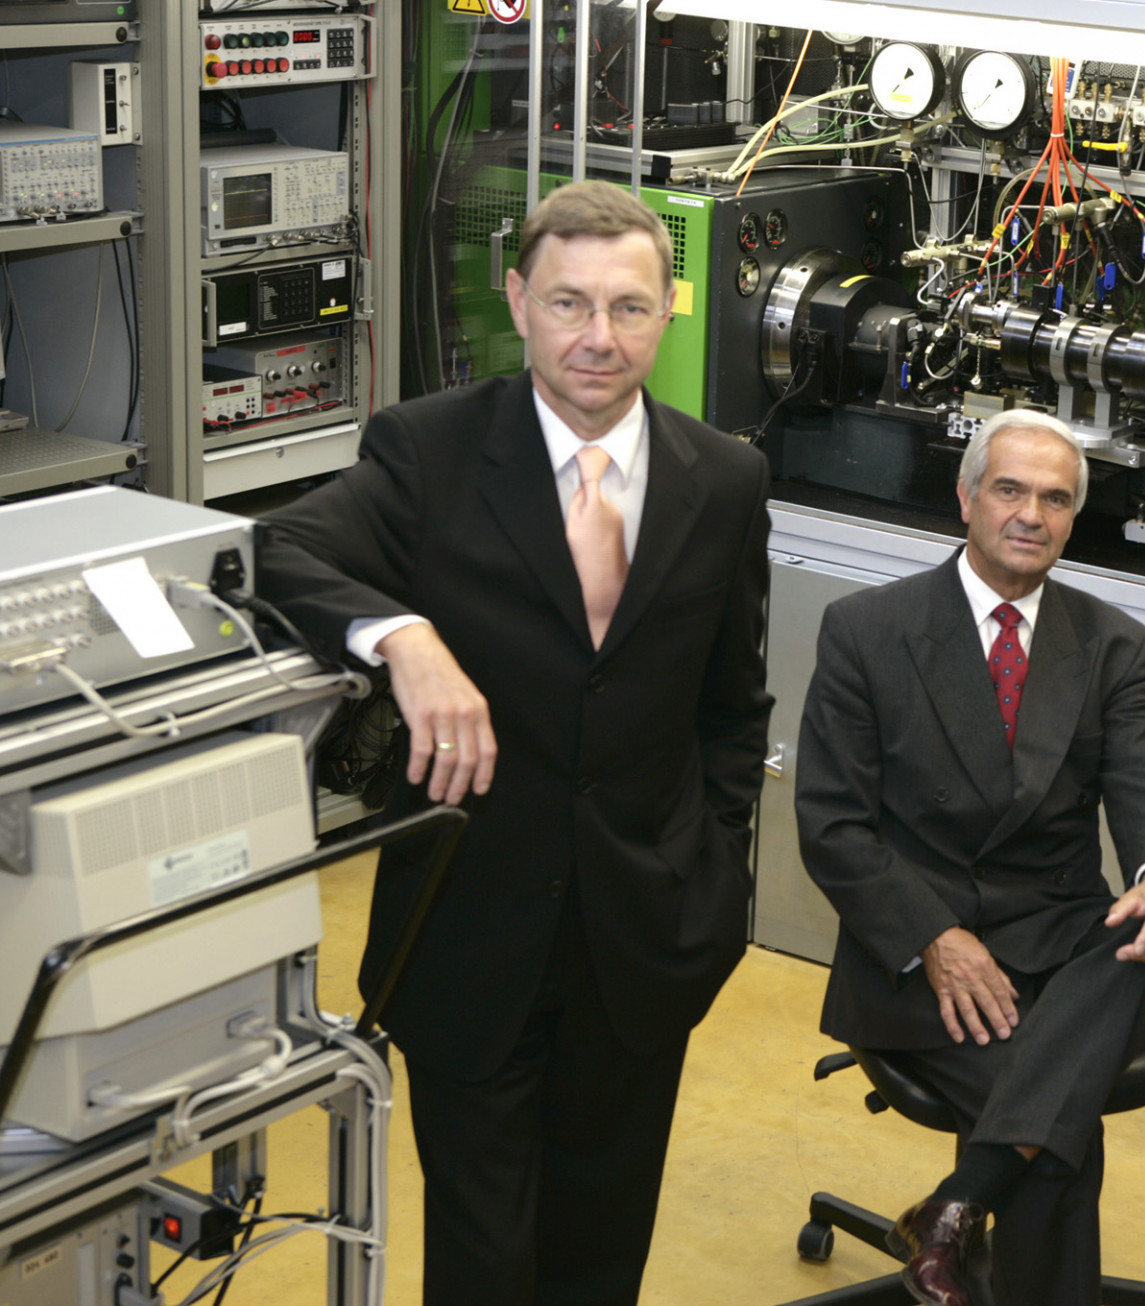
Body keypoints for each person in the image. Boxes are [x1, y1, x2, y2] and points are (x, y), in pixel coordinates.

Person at [255, 180, 772, 1303]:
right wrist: (404, 638)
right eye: (569, 303)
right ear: (518, 300)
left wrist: (717, 873)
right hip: (470, 930)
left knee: (601, 1254)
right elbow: (276, 551)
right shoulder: (430, 451)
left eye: (629, 307)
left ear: (669, 310)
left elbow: (733, 706)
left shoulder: (726, 481)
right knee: (483, 1265)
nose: (599, 337)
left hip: (642, 938)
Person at [795, 410, 1145, 1306]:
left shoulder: (1111, 642)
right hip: (921, 946)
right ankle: (964, 1210)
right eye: (1010, 490)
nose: (1031, 515)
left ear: (1073, 518)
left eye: (1055, 499)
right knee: (1057, 1133)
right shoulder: (868, 629)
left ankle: (952, 1208)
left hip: (1057, 935)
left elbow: (1142, 778)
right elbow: (831, 825)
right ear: (966, 498)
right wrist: (935, 937)